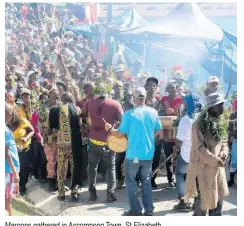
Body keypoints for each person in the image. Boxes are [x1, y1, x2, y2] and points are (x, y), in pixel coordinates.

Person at [104, 87, 163, 216]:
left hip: (132, 155)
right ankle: (149, 210)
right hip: (148, 154)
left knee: (131, 182)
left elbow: (119, 134)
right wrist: (150, 138)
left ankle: (136, 210)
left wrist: (110, 129)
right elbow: (159, 129)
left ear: (134, 98)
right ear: (145, 97)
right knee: (146, 182)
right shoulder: (153, 112)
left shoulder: (129, 114)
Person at [184, 93, 229, 216]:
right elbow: (199, 148)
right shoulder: (198, 123)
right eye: (220, 105)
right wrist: (215, 160)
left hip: (217, 169)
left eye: (222, 105)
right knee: (202, 207)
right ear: (211, 107)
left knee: (217, 204)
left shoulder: (220, 119)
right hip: (202, 169)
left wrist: (224, 153)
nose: (223, 108)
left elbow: (224, 140)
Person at [82, 84, 123, 203]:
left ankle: (92, 194)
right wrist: (114, 128)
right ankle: (110, 195)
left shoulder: (89, 102)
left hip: (93, 140)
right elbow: (123, 121)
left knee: (92, 167)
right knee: (110, 167)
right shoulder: (115, 104)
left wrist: (91, 122)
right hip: (108, 141)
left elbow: (83, 115)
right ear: (108, 92)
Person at [49, 92, 83, 201]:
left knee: (61, 167)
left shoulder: (55, 110)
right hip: (74, 145)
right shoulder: (77, 109)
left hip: (62, 144)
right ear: (71, 98)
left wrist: (50, 141)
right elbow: (81, 126)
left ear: (62, 99)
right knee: (74, 167)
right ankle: (74, 191)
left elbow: (52, 129)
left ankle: (61, 192)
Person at [173, 93, 201, 212]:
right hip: (199, 155)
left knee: (180, 175)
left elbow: (179, 140)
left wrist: (175, 148)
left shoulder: (185, 120)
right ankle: (197, 203)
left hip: (186, 156)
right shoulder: (201, 117)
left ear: (188, 104)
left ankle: (184, 202)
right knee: (196, 178)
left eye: (184, 102)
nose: (183, 104)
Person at [161, 81, 183, 189]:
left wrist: (177, 112)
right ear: (167, 89)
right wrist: (165, 112)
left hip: (179, 133)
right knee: (168, 157)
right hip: (167, 133)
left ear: (177, 89)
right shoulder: (163, 99)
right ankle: (170, 180)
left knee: (179, 157)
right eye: (169, 88)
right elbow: (158, 112)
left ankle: (180, 178)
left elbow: (184, 112)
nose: (172, 90)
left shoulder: (181, 99)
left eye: (174, 88)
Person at [7, 108, 34, 195]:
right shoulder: (4, 124)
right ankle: (11, 186)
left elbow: (32, 131)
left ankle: (22, 186)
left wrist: (26, 138)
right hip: (10, 151)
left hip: (24, 150)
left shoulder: (23, 121)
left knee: (24, 168)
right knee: (13, 169)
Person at [144, 77, 163, 188]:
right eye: (149, 85)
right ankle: (141, 178)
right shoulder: (142, 100)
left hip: (156, 135)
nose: (151, 88)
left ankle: (152, 179)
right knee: (144, 158)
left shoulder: (159, 101)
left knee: (155, 159)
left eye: (154, 86)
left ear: (156, 88)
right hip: (144, 134)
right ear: (145, 86)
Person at [5, 103, 20, 216]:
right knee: (7, 199)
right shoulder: (5, 131)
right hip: (8, 170)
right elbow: (6, 153)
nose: (11, 116)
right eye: (10, 113)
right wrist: (15, 172)